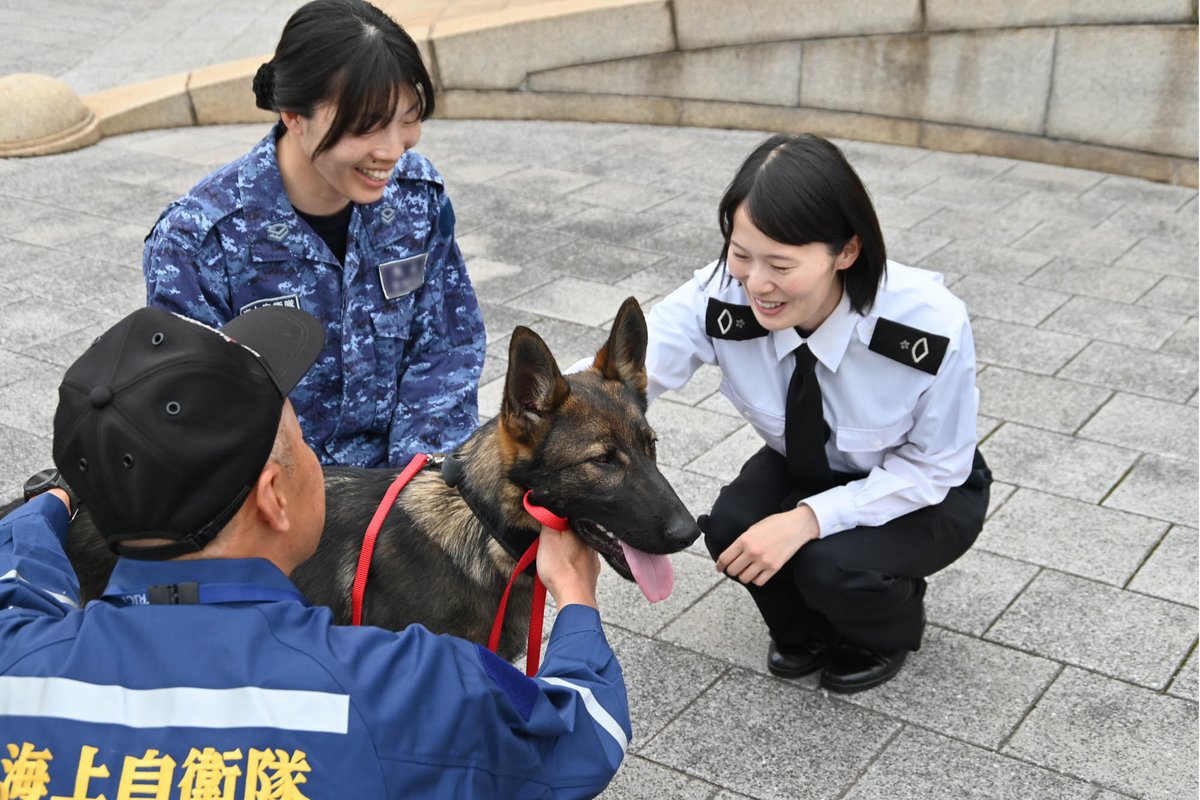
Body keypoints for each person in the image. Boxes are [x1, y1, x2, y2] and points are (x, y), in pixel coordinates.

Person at [0, 306, 629, 798]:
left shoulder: (18, 657)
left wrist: (50, 504)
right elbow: (582, 731)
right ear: (274, 497)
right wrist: (575, 597)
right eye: (300, 444)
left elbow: (21, 581)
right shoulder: (407, 685)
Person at [644, 133, 992, 693]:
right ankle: (803, 627)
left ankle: (883, 629)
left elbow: (935, 468)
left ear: (846, 252)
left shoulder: (928, 325)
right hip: (809, 463)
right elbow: (625, 369)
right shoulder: (720, 295)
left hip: (925, 487)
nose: (755, 283)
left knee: (831, 563)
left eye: (780, 264)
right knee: (733, 527)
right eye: (740, 254)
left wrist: (808, 520)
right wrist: (532, 413)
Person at [142, 0, 485, 469]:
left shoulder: (416, 200)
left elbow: (445, 351)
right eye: (366, 125)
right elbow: (192, 412)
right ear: (293, 115)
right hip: (274, 499)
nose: (391, 150)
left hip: (403, 490)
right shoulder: (199, 242)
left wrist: (414, 490)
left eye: (407, 118)